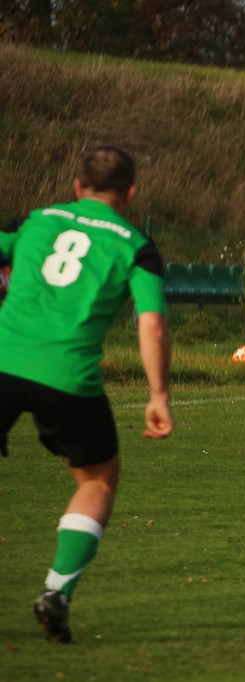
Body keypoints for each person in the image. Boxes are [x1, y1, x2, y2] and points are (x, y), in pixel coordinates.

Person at [0, 146, 174, 642]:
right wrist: (158, 394)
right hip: (69, 378)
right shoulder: (137, 246)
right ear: (132, 193)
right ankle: (56, 591)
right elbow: (153, 322)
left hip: (2, 359)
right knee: (97, 478)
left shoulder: (36, 220)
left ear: (77, 187)